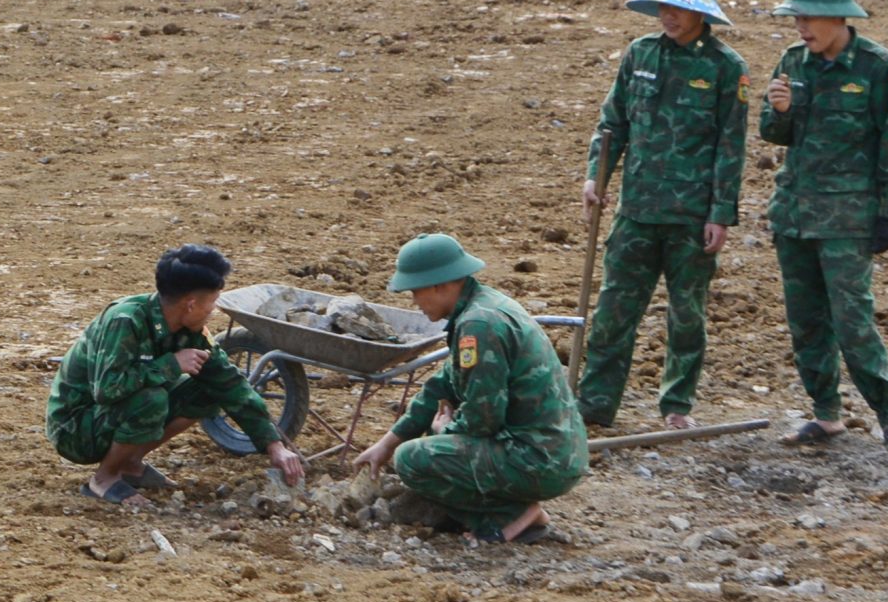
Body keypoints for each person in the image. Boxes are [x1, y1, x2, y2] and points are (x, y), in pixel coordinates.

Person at [577, 0, 750, 430]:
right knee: (614, 310)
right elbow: (613, 124)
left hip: (691, 218)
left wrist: (721, 214)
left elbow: (730, 148)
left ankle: (677, 405)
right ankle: (595, 405)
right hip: (637, 211)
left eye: (678, 7)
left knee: (686, 314)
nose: (668, 15)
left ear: (701, 14)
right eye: (664, 6)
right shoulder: (640, 55)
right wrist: (597, 176)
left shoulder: (725, 69)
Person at [760, 0, 888, 450]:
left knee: (852, 320)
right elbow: (773, 133)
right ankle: (825, 414)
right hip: (795, 214)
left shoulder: (877, 66)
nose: (801, 27)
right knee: (806, 320)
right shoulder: (793, 61)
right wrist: (780, 111)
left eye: (808, 18)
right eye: (797, 18)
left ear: (837, 17)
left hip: (848, 218)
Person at [353, 233, 585, 544]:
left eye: (416, 291)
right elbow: (441, 385)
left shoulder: (479, 327)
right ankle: (515, 510)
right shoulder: (483, 307)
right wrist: (387, 443)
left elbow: (483, 418)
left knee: (412, 460)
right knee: (409, 450)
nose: (414, 302)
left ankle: (513, 516)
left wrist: (444, 432)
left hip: (541, 459)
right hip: (554, 449)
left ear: (441, 284)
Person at [46, 244, 309, 505]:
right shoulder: (126, 321)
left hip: (108, 416)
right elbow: (106, 390)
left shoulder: (190, 331)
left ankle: (129, 463)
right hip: (76, 427)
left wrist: (274, 446)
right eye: (213, 302)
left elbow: (229, 383)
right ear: (191, 304)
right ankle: (104, 479)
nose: (214, 310)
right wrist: (169, 365)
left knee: (209, 389)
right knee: (152, 399)